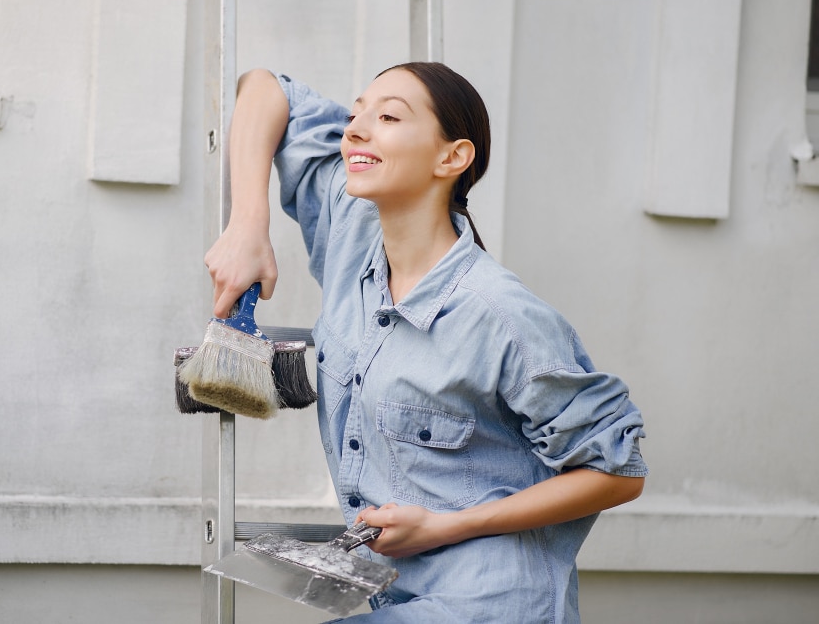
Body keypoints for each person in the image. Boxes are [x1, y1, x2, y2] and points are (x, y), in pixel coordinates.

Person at [204, 63, 648, 623]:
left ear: (452, 158)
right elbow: (264, 88)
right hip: (394, 594)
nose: (356, 127)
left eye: (387, 116)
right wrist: (248, 224)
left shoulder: (500, 315)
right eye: (359, 111)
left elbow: (617, 472)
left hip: (492, 604)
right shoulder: (353, 227)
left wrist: (447, 525)